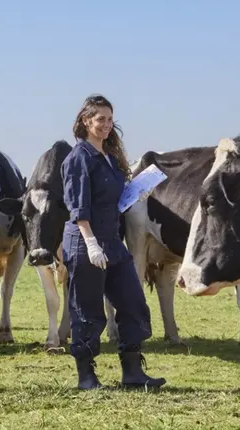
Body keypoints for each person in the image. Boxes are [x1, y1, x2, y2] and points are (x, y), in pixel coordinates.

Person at [61, 94, 166, 390]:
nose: (107, 125)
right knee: (87, 310)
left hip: (112, 241)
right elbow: (78, 206)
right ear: (86, 121)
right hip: (86, 242)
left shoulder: (109, 157)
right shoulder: (79, 158)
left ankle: (132, 372)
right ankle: (87, 376)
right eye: (100, 120)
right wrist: (91, 244)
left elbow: (111, 201)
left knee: (133, 303)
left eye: (110, 119)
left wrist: (134, 194)